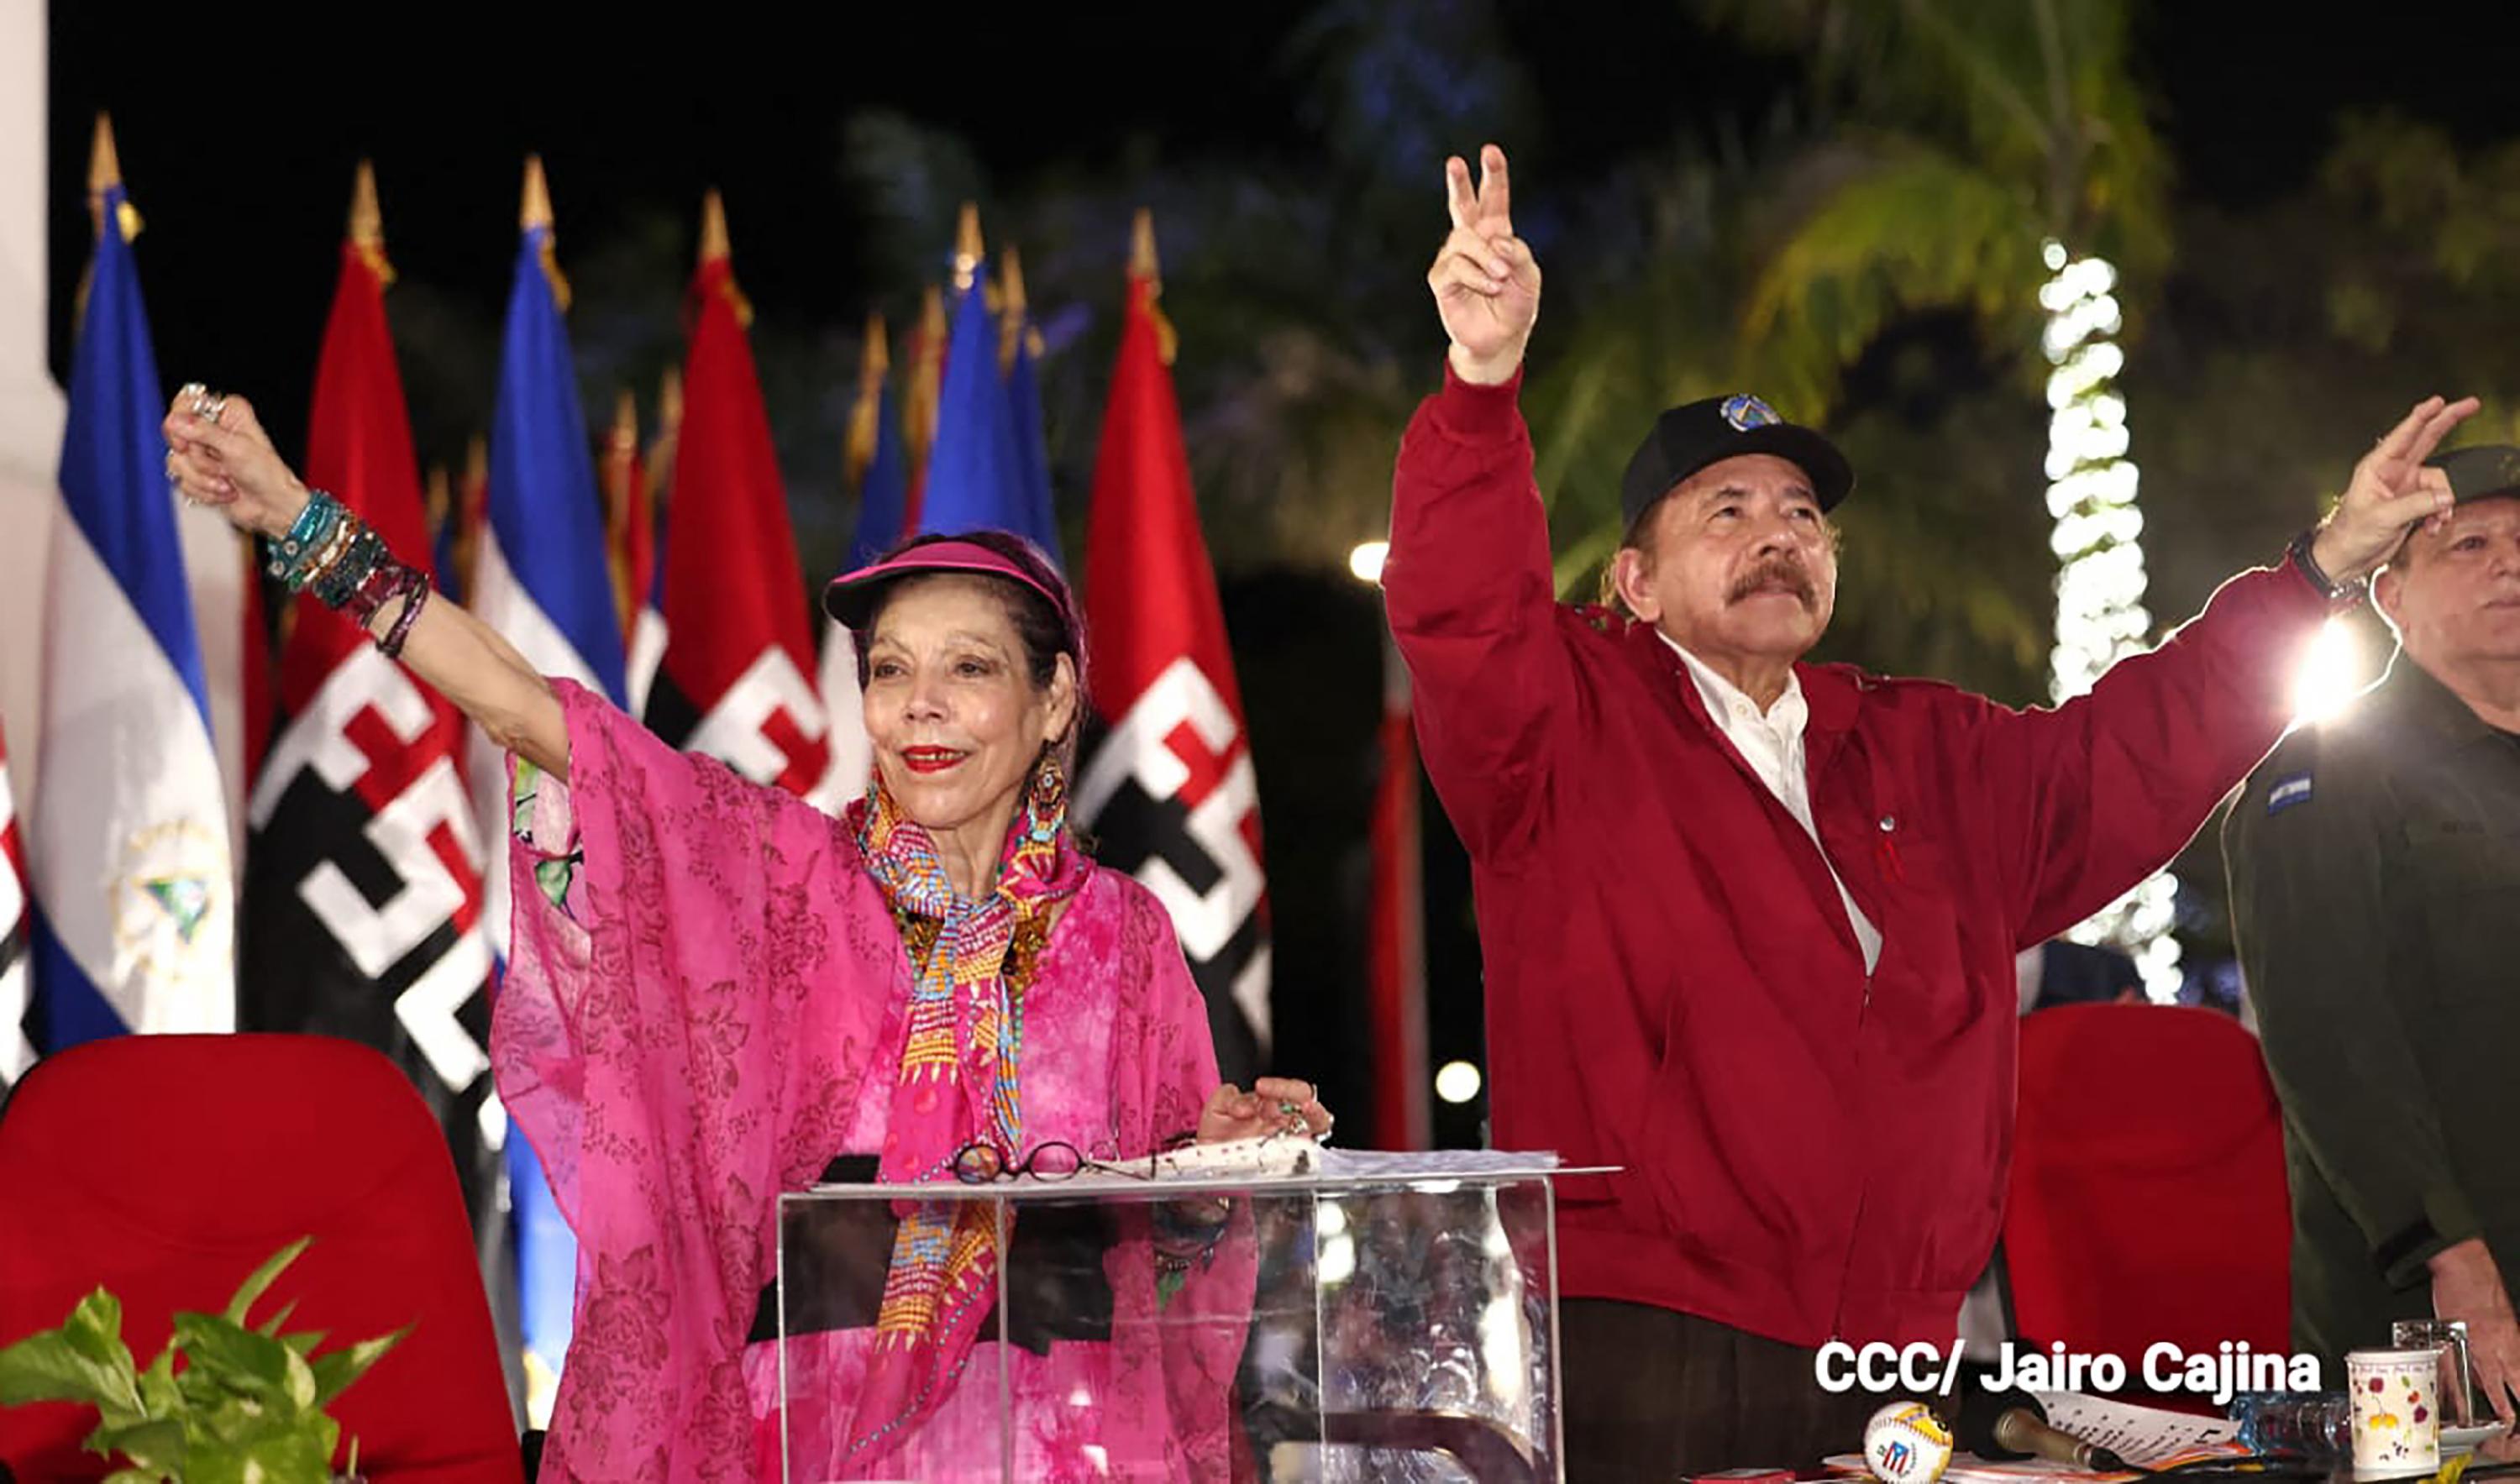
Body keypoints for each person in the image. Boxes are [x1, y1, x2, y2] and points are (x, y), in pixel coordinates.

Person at [1387, 143, 2473, 1476]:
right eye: (1724, 508)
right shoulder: (1564, 723)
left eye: (1800, 512)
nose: (1776, 531)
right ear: (1635, 581)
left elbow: (2135, 746)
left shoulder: (1919, 744)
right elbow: (1461, 613)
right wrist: (1482, 387)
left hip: (1899, 1355)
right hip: (1648, 1335)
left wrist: (2319, 570)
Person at [161, 385, 1332, 1482]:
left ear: (1056, 700)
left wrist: (1218, 1162)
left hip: (1059, 1449)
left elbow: (1176, 1270)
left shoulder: (1124, 937)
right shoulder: (782, 871)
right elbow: (534, 711)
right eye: (889, 669)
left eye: (969, 669)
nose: (917, 703)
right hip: (809, 1441)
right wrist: (306, 525)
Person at [2223, 443, 2520, 1425]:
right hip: (2431, 1303)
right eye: (2470, 544)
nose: (2509, 564)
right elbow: (2327, 1034)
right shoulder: (2330, 766)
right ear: (2389, 596)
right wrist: (2449, 1253)